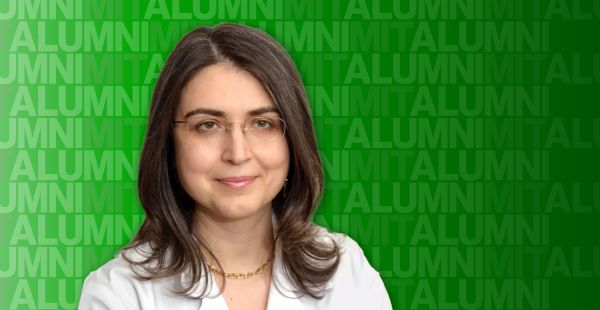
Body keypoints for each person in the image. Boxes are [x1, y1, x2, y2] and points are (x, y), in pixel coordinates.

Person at [79, 23, 392, 310]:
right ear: (168, 142)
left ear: (293, 137)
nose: (237, 153)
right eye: (208, 125)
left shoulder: (345, 272)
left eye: (262, 123)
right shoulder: (120, 292)